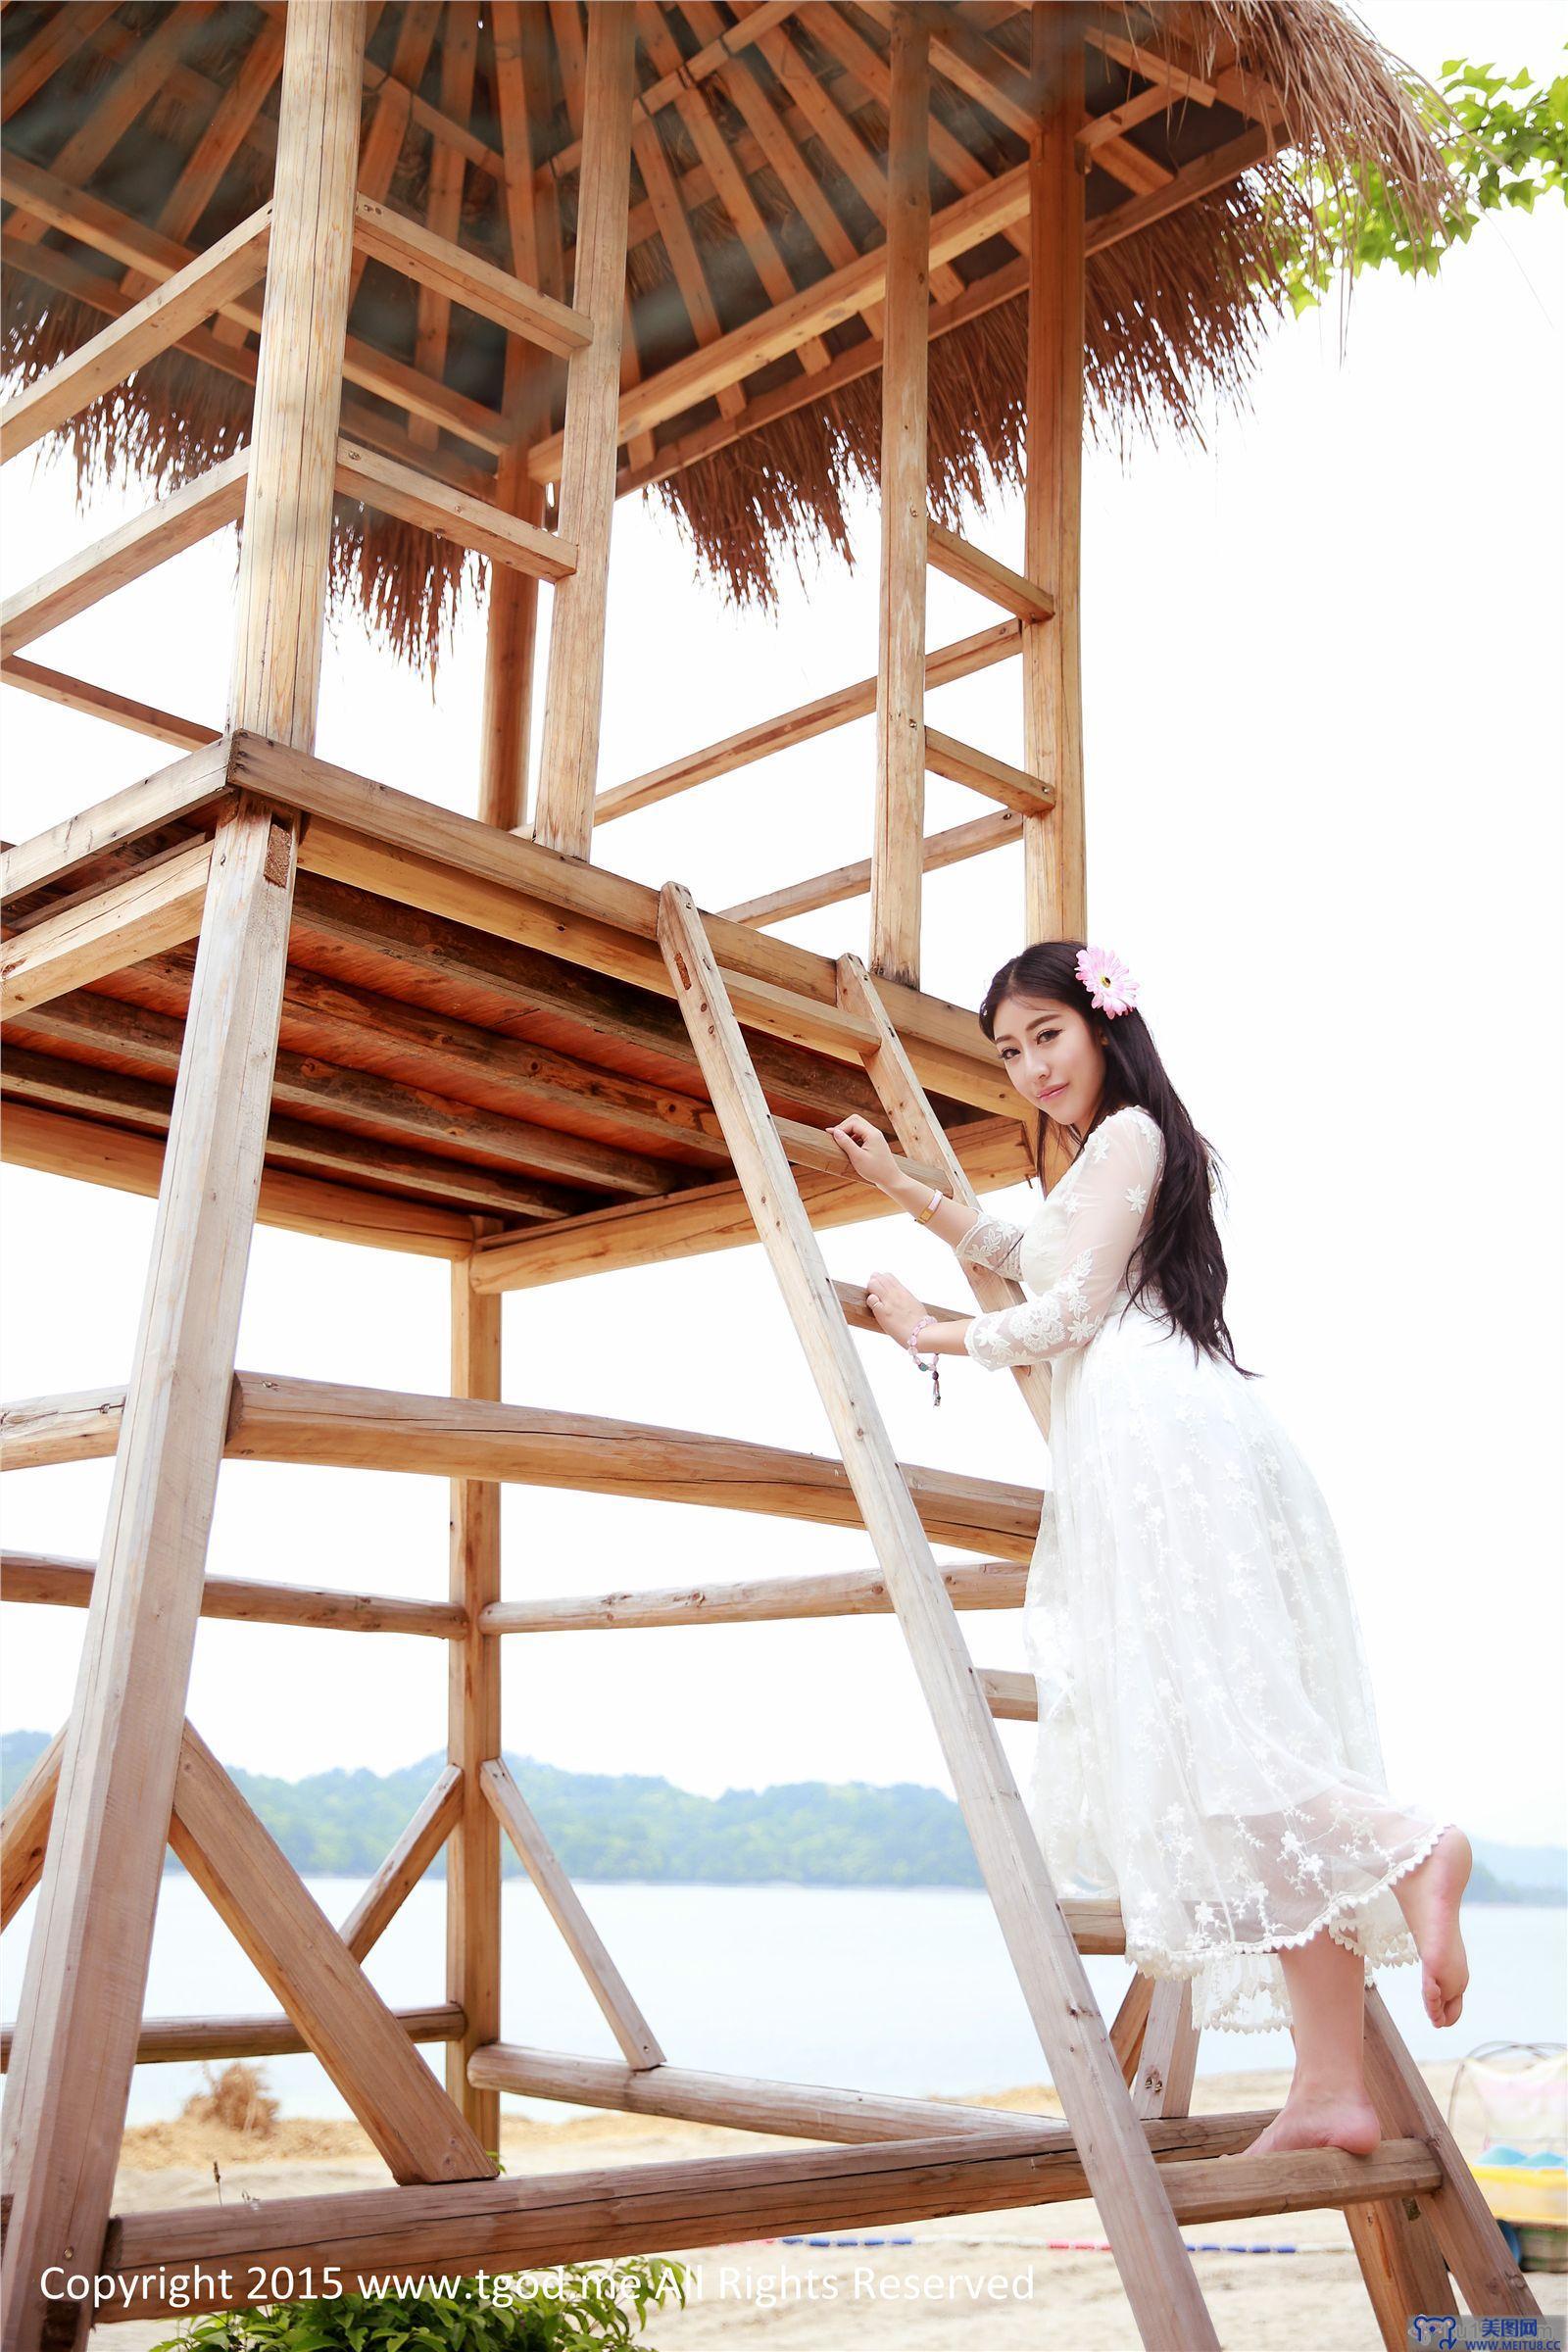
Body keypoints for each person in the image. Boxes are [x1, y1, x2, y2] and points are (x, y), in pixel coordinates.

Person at [826, 939, 1471, 2160]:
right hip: (1153, 1436)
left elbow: (1063, 1311)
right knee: (1231, 1766)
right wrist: (908, 1188)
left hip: (1158, 1442)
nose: (1028, 1069)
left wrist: (927, 1331)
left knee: (1231, 1743)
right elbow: (1034, 1256)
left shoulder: (1129, 1134)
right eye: (1008, 1053)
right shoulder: (1105, 1162)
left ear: (1105, 1025)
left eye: (1044, 1037)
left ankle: (1415, 1846)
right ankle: (1331, 2085)